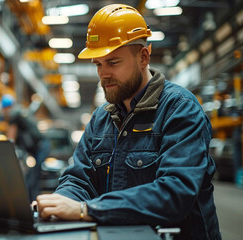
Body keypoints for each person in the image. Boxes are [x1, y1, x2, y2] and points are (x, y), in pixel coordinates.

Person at [36, 4, 221, 240]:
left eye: (113, 63)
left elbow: (174, 194)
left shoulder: (180, 110)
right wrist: (61, 202)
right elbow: (78, 179)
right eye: (98, 64)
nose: (103, 74)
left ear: (143, 57)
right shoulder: (101, 118)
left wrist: (87, 210)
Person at [1, 94, 50, 201]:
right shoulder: (20, 112)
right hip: (39, 147)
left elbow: (11, 139)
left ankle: (34, 203)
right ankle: (32, 201)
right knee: (30, 177)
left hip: (40, 147)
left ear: (5, 108)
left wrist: (5, 153)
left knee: (32, 178)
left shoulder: (13, 114)